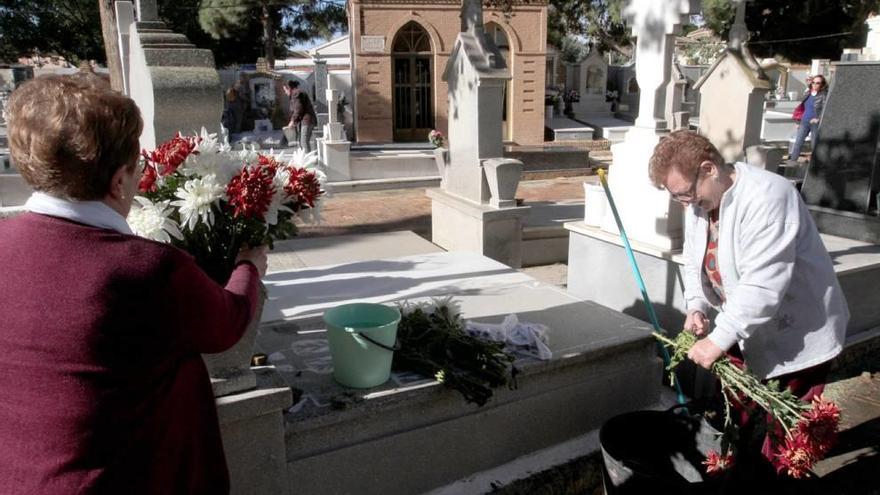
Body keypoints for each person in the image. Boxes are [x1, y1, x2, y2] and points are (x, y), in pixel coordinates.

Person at [0, 74, 267, 493]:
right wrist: (249, 266)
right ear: (119, 182)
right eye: (137, 167)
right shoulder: (146, 268)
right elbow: (226, 325)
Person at [649, 130, 849, 467]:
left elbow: (763, 285)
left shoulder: (768, 196)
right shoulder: (701, 201)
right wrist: (696, 304)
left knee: (788, 427)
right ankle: (731, 468)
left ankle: (780, 477)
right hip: (741, 326)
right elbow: (694, 256)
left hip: (797, 331)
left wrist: (717, 341)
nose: (684, 204)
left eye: (685, 194)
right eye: (677, 198)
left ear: (709, 168)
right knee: (734, 409)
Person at [789, 74, 828, 162]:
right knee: (798, 143)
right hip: (804, 121)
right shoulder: (808, 93)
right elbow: (802, 107)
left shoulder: (824, 94)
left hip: (815, 123)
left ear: (822, 84)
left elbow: (826, 108)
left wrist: (818, 118)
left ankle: (815, 165)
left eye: (818, 83)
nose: (815, 84)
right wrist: (798, 121)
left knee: (814, 145)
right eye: (813, 82)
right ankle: (792, 163)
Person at [284, 80, 317, 153]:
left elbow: (298, 109)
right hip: (303, 121)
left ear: (289, 88)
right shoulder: (295, 94)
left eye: (285, 90)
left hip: (307, 120)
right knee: (301, 142)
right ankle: (303, 159)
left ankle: (308, 161)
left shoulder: (296, 94)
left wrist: (292, 121)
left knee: (304, 142)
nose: (285, 93)